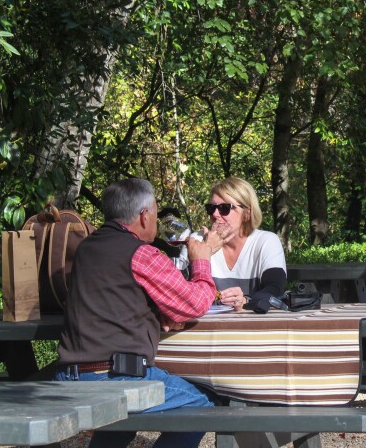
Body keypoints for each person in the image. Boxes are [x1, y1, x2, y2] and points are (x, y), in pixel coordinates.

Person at [54, 178, 225, 448]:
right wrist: (201, 260)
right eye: (156, 213)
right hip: (113, 379)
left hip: (69, 377)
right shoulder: (142, 254)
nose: (156, 221)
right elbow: (194, 304)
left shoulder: (87, 248)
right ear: (144, 216)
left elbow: (113, 301)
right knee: (208, 402)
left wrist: (156, 312)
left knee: (120, 420)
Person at [182, 177, 287, 313]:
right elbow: (177, 286)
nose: (215, 214)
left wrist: (246, 301)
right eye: (211, 208)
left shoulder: (266, 242)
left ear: (247, 213)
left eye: (224, 208)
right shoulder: (197, 241)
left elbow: (275, 288)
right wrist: (206, 250)